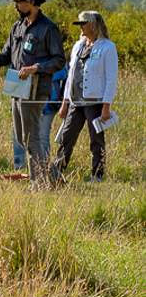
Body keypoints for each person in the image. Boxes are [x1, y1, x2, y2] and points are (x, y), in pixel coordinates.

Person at [0, 0, 65, 187]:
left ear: (33, 3)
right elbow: (7, 55)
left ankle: (39, 184)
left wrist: (36, 67)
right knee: (21, 137)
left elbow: (59, 60)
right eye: (15, 2)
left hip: (37, 88)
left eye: (20, 2)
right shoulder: (17, 26)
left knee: (32, 135)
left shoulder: (48, 28)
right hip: (16, 87)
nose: (16, 5)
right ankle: (54, 176)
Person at [53, 11, 117, 182]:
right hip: (75, 101)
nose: (80, 27)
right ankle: (56, 172)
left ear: (93, 25)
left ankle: (97, 175)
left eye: (83, 23)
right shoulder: (77, 46)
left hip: (95, 101)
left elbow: (111, 79)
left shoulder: (108, 47)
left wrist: (106, 106)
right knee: (66, 137)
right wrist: (65, 103)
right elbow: (70, 77)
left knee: (96, 140)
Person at [12, 64, 67, 168]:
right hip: (22, 96)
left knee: (42, 135)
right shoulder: (23, 50)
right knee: (18, 134)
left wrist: (37, 72)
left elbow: (62, 72)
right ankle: (19, 166)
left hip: (47, 101)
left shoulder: (53, 50)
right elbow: (14, 69)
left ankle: (44, 167)